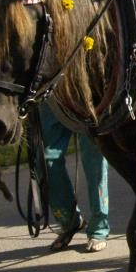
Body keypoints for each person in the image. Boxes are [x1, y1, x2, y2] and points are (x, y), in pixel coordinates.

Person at [39, 102, 110, 253]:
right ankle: (70, 222)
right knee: (45, 161)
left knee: (94, 161)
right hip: (52, 95)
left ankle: (99, 226)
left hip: (86, 94)